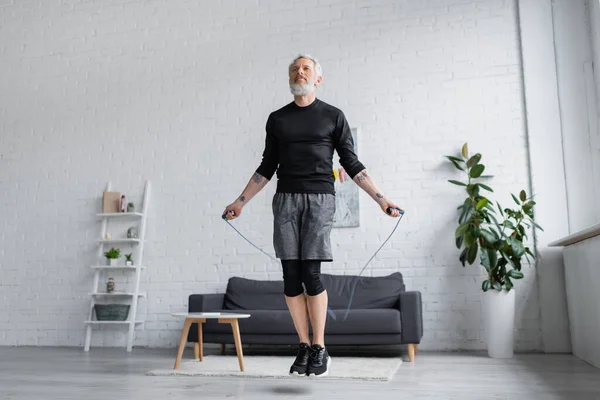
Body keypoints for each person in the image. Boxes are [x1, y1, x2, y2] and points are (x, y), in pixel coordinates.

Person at [222, 54, 403, 377]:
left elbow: (352, 165)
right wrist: (240, 202)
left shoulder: (333, 116)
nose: (299, 71)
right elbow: (266, 167)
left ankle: (320, 347)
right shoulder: (277, 119)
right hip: (285, 200)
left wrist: (381, 199)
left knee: (311, 274)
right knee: (290, 277)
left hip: (320, 200)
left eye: (306, 68)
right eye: (294, 68)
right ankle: (303, 345)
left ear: (318, 78)